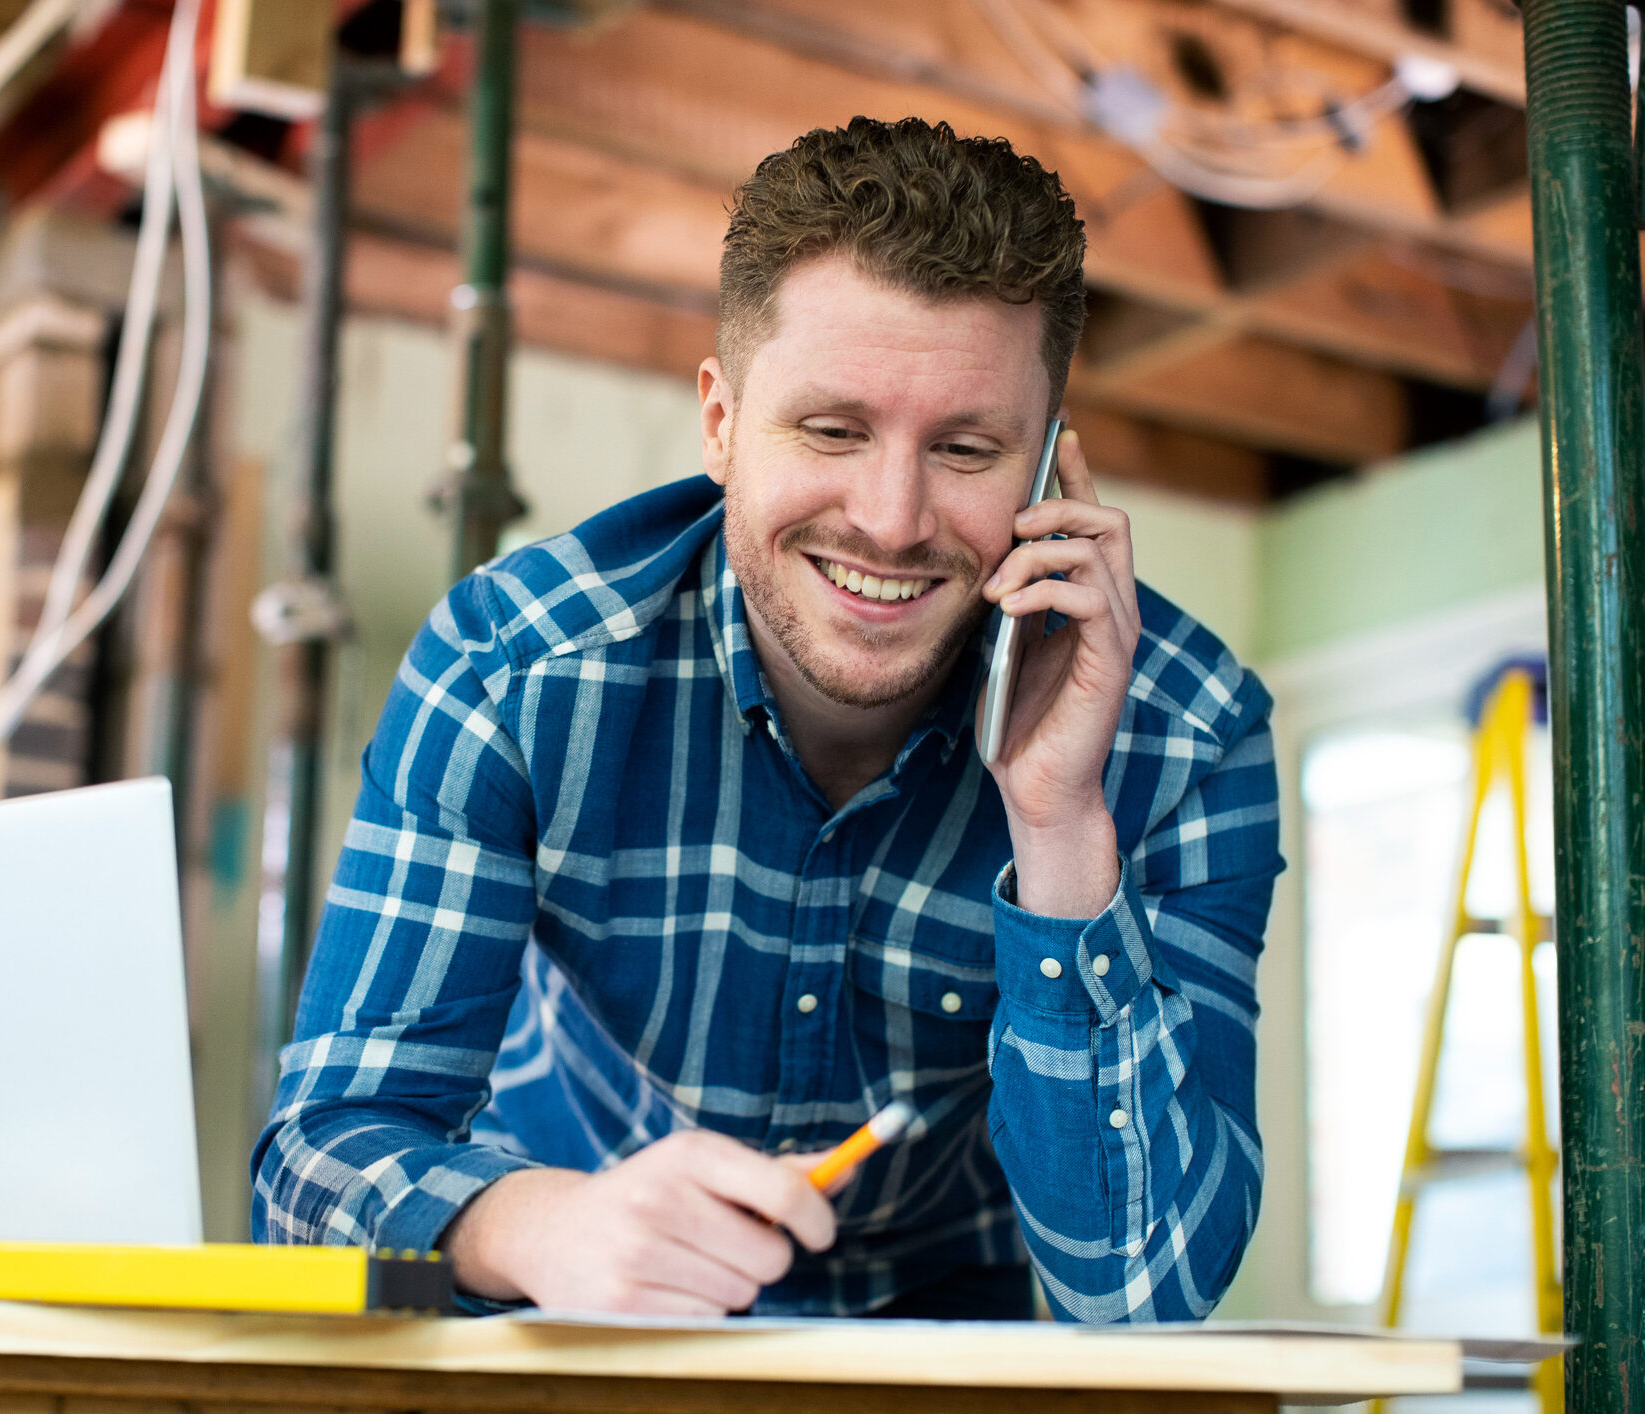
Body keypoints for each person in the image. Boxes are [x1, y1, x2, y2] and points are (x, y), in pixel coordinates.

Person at [252, 116, 1282, 1322]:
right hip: (577, 1298)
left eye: (965, 448)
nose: (892, 520)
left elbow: (1145, 1296)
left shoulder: (1184, 734)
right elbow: (315, 1168)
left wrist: (1060, 826)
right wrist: (536, 1227)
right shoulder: (512, 668)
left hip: (942, 1350)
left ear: (1048, 468)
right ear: (721, 423)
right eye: (833, 430)